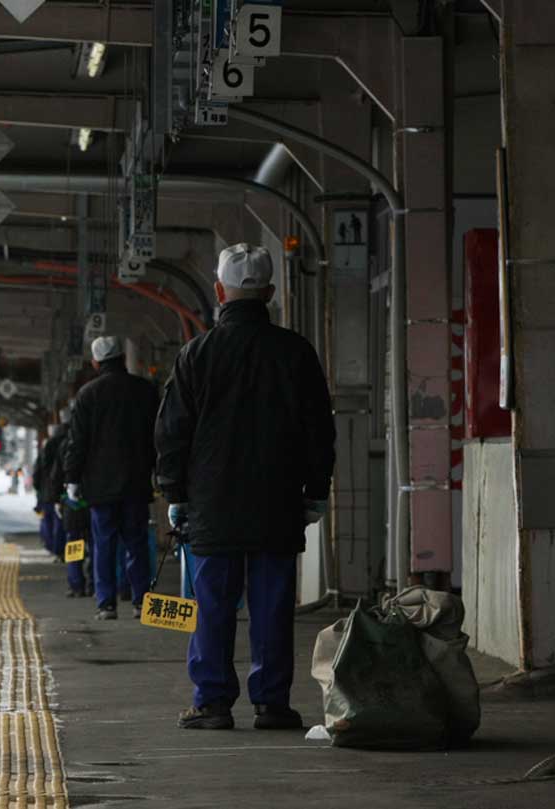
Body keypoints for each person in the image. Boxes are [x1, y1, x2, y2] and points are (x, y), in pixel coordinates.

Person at [155, 243, 336, 731]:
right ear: (271, 293)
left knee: (213, 606)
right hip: (278, 503)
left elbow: (172, 432)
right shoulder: (295, 352)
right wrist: (315, 490)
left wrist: (176, 496)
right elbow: (320, 429)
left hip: (212, 506)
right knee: (272, 606)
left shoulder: (197, 354)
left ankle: (212, 702)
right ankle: (272, 703)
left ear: (218, 291)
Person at [63, 335, 160, 620]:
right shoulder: (145, 390)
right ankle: (141, 599)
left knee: (103, 544)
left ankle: (106, 603)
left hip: (100, 486)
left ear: (96, 363)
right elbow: (159, 435)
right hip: (137, 482)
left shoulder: (87, 395)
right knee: (136, 542)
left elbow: (77, 442)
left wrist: (72, 479)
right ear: (121, 358)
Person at [34, 420, 89, 596]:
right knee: (96, 544)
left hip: (70, 502)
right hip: (94, 500)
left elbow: (55, 475)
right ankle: (96, 585)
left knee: (73, 542)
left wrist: (56, 498)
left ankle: (76, 584)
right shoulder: (94, 441)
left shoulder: (62, 446)